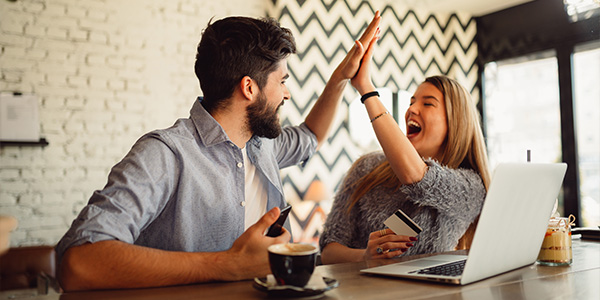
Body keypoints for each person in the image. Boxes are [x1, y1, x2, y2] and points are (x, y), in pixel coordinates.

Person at [56, 13, 382, 291]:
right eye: (282, 80)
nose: (288, 93)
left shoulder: (262, 145)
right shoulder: (165, 154)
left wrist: (341, 77)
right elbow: (78, 263)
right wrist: (228, 265)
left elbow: (311, 136)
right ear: (249, 88)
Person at [319, 25, 491, 264]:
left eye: (428, 104)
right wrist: (366, 256)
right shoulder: (367, 167)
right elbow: (328, 251)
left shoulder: (471, 186)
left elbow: (418, 178)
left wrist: (367, 89)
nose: (412, 109)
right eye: (412, 101)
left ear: (456, 122)